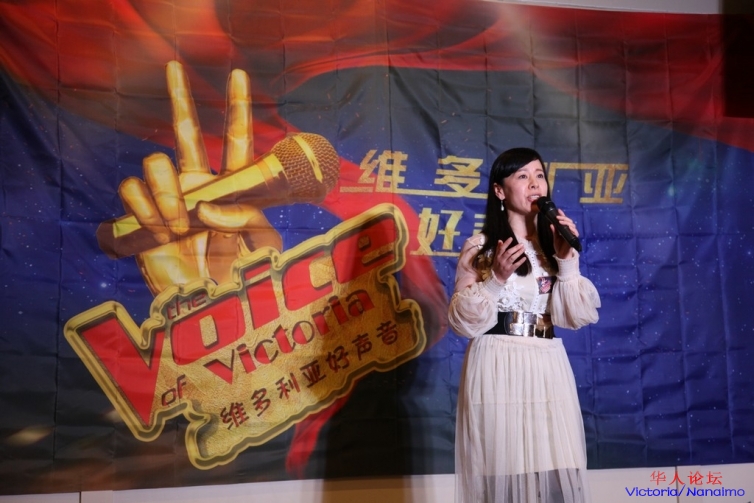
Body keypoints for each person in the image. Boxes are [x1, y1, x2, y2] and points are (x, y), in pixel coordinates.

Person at [449, 147, 600, 503]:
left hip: (547, 364)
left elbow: (574, 315)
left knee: (557, 472)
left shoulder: (555, 246)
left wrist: (567, 263)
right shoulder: (481, 248)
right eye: (522, 176)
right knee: (506, 472)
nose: (534, 184)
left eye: (539, 175)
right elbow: (462, 321)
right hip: (498, 366)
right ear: (499, 191)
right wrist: (495, 279)